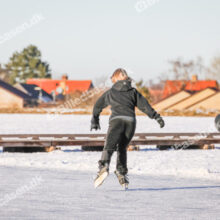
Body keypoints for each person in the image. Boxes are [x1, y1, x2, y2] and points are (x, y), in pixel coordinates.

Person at [91, 68, 165, 189]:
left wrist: (95, 119)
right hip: (130, 122)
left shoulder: (111, 92)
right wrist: (156, 117)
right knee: (122, 148)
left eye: (113, 79)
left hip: (116, 121)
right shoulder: (133, 92)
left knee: (109, 146)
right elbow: (145, 106)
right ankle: (121, 172)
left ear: (116, 78)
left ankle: (104, 166)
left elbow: (98, 105)